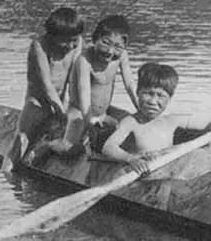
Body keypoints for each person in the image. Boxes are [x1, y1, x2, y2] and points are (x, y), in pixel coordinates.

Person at [41, 14, 141, 160]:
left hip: (104, 113)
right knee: (70, 150)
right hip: (80, 113)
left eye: (118, 46)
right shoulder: (84, 60)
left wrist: (142, 112)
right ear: (95, 39)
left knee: (131, 125)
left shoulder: (122, 56)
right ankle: (50, 144)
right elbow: (84, 95)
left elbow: (130, 85)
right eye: (106, 43)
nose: (110, 51)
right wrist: (89, 121)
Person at [100, 62, 211, 173]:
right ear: (138, 93)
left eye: (160, 95)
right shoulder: (131, 123)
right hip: (144, 173)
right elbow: (109, 147)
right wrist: (131, 159)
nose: (152, 101)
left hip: (166, 169)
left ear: (169, 99)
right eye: (147, 93)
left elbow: (204, 123)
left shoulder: (171, 120)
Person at [1, 7, 84, 173]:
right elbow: (46, 85)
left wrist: (74, 110)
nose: (70, 46)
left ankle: (45, 148)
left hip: (61, 100)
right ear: (52, 36)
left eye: (73, 40)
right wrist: (61, 113)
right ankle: (5, 177)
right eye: (65, 41)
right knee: (21, 141)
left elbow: (75, 80)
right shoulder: (39, 46)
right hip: (37, 102)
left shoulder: (78, 43)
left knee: (76, 134)